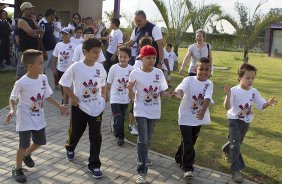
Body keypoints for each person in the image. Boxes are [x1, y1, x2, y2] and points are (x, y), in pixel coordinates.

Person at [5, 49, 67, 183]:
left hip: (39, 117)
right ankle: (17, 168)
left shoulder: (43, 78)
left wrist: (60, 106)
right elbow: (12, 98)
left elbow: (48, 96)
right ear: (30, 66)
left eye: (42, 63)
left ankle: (27, 154)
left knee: (40, 141)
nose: (43, 65)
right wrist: (11, 110)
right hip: (25, 119)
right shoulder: (21, 82)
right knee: (23, 144)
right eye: (40, 63)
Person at [59, 38, 107, 179]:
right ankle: (70, 147)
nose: (97, 55)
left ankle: (94, 164)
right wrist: (73, 98)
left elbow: (103, 83)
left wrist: (104, 96)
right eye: (94, 52)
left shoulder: (100, 68)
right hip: (79, 107)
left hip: (96, 108)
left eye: (99, 52)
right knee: (76, 131)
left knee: (95, 136)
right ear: (85, 52)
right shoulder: (76, 67)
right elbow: (64, 83)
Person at [222, 63, 277, 183]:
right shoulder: (234, 91)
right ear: (239, 77)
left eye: (253, 78)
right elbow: (227, 107)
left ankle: (226, 148)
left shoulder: (254, 91)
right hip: (234, 120)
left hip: (246, 121)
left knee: (237, 142)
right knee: (236, 144)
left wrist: (268, 103)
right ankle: (236, 170)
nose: (250, 80)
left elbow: (260, 104)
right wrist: (227, 95)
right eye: (247, 78)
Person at [128, 45, 171, 184]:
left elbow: (162, 91)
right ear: (141, 58)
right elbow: (132, 97)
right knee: (143, 139)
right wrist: (129, 89)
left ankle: (143, 155)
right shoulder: (135, 73)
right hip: (140, 110)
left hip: (154, 111)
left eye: (154, 57)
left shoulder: (159, 73)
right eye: (148, 57)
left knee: (148, 137)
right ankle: (141, 171)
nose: (152, 60)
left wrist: (169, 94)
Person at [174, 57, 213, 181]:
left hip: (197, 117)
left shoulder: (209, 83)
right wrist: (178, 94)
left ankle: (179, 156)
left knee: (191, 141)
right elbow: (181, 89)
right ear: (196, 69)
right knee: (188, 141)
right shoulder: (188, 80)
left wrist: (203, 110)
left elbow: (207, 98)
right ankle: (187, 168)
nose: (204, 72)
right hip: (185, 116)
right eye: (201, 69)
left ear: (210, 70)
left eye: (207, 69)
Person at [105, 46, 133, 146]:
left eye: (125, 57)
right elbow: (108, 83)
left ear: (129, 58)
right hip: (115, 98)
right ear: (118, 56)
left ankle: (116, 129)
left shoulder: (132, 70)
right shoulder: (114, 68)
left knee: (121, 117)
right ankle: (120, 137)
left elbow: (134, 85)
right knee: (119, 117)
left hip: (125, 99)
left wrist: (132, 97)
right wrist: (106, 94)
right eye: (120, 56)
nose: (122, 59)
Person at [16, 2, 45, 79]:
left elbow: (41, 30)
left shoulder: (31, 20)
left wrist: (35, 32)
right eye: (30, 9)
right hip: (24, 51)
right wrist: (35, 32)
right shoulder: (21, 21)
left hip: (33, 50)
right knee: (21, 73)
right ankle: (19, 89)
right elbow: (32, 33)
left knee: (31, 72)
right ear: (25, 10)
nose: (32, 10)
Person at [51, 27, 77, 104]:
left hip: (69, 70)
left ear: (70, 35)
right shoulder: (58, 45)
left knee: (66, 86)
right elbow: (55, 57)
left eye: (66, 34)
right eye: (62, 34)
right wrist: (54, 68)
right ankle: (65, 98)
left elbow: (77, 57)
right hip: (60, 69)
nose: (63, 35)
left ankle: (65, 102)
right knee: (62, 86)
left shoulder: (74, 45)